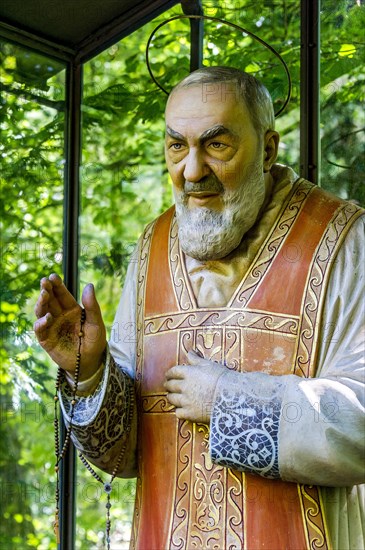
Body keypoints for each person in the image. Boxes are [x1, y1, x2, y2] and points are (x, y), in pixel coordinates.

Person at [34, 67, 364, 549]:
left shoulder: (344, 240)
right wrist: (89, 371)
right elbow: (124, 455)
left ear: (268, 149)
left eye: (216, 145)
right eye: (176, 147)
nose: (191, 171)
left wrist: (229, 402)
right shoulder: (153, 244)